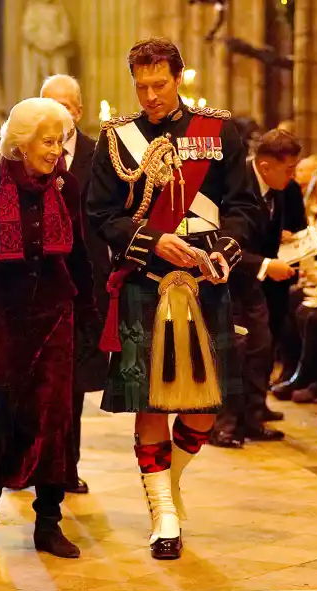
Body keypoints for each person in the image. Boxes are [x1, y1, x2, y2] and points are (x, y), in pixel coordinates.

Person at [86, 38, 255, 560]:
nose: (151, 95)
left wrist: (221, 248)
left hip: (206, 281)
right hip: (146, 277)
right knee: (150, 401)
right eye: (142, 85)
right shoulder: (116, 140)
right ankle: (163, 515)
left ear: (178, 78)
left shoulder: (217, 131)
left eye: (159, 84)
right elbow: (100, 215)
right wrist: (154, 240)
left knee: (204, 408)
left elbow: (245, 206)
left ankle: (170, 482)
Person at [0, 97, 96, 559]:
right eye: (47, 141)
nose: (56, 150)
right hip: (2, 324)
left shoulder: (67, 187)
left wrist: (90, 317)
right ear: (21, 143)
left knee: (54, 425)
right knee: (0, 422)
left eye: (60, 141)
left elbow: (78, 260)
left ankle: (48, 524)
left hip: (55, 318)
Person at [212, 129, 305, 448]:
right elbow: (222, 242)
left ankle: (252, 418)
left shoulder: (284, 188)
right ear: (265, 166)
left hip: (254, 284)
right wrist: (265, 265)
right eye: (288, 169)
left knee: (261, 348)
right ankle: (222, 425)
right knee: (232, 352)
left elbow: (285, 224)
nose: (293, 176)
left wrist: (289, 241)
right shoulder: (234, 184)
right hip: (225, 280)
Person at [40, 73, 105, 495]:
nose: (57, 113)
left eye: (64, 105)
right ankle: (30, 463)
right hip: (37, 286)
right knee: (35, 383)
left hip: (83, 286)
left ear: (78, 111)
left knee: (75, 385)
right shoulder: (26, 151)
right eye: (48, 104)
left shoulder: (99, 156)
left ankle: (68, 466)